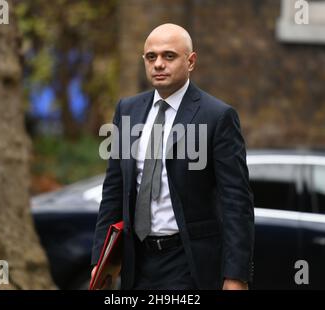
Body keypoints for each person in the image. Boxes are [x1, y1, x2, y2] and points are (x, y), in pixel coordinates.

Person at [91, 23, 254, 290]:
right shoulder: (127, 110)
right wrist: (101, 260)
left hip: (189, 262)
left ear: (190, 62)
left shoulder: (217, 117)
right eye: (151, 56)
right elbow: (113, 190)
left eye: (169, 56)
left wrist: (236, 276)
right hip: (136, 263)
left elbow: (237, 202)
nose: (158, 64)